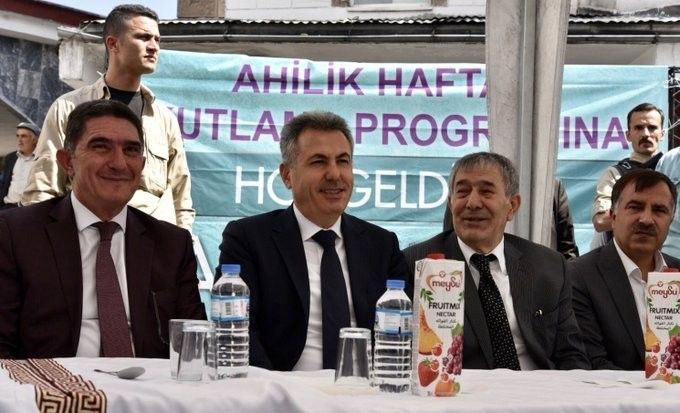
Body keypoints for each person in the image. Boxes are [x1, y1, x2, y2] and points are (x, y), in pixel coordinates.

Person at [0, 100, 205, 359]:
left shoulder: (171, 244)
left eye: (131, 150)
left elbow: (194, 349)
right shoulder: (16, 235)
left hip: (151, 383)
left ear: (142, 165)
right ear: (67, 162)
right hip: (48, 382)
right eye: (101, 147)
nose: (119, 163)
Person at [216, 110, 410, 371]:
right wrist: (276, 389)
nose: (334, 174)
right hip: (280, 388)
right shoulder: (248, 239)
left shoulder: (382, 246)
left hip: (365, 390)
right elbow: (237, 333)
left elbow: (401, 338)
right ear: (287, 175)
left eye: (343, 161)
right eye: (319, 162)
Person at [405, 152, 589, 370]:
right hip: (460, 388)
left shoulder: (549, 266)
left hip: (537, 388)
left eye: (486, 192)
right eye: (462, 192)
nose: (472, 203)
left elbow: (571, 356)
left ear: (512, 206)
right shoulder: (417, 264)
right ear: (451, 202)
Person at [21, 4, 194, 230]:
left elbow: (181, 197)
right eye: (143, 37)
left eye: (157, 40)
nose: (153, 47)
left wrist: (183, 243)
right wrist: (38, 242)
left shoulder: (163, 119)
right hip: (84, 237)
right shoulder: (69, 107)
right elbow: (43, 186)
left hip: (151, 241)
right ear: (113, 44)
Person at [568, 169, 680, 370]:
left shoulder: (676, 273)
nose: (646, 219)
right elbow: (593, 364)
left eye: (659, 210)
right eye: (635, 207)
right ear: (612, 216)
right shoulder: (578, 277)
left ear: (670, 221)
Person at [442, 177, 579, 260]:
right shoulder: (465, 192)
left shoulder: (551, 187)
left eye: (486, 192)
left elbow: (567, 250)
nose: (473, 203)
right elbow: (449, 241)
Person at [590, 103, 665, 248]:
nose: (646, 134)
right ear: (628, 135)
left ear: (662, 134)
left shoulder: (673, 169)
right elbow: (601, 221)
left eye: (652, 128)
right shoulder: (615, 174)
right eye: (638, 128)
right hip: (626, 257)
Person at [1, 122, 40, 209]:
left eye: (23, 136)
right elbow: (4, 183)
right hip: (8, 207)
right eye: (17, 136)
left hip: (29, 209)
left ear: (34, 140)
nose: (19, 140)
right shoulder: (10, 158)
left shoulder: (42, 159)